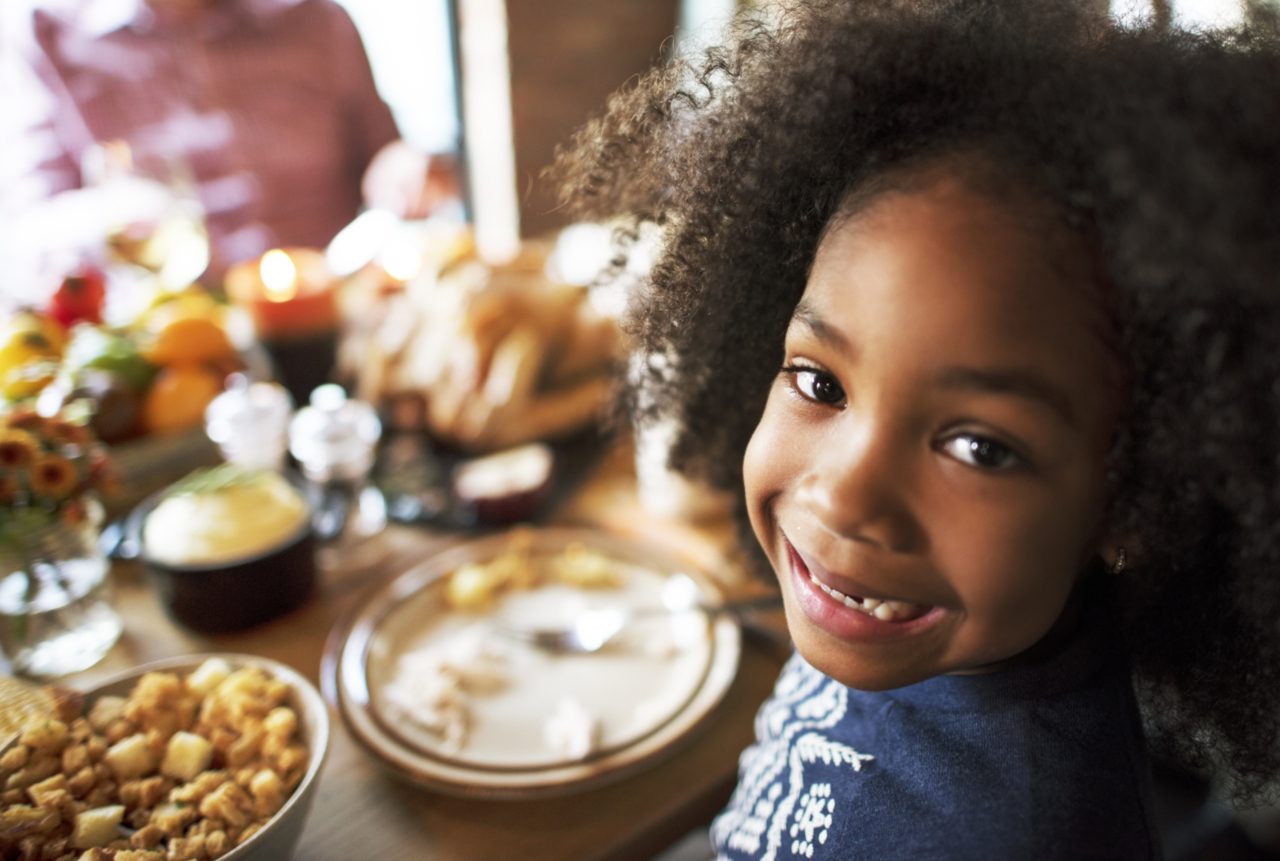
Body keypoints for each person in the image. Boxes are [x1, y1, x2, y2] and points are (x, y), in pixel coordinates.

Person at [554, 0, 1280, 856]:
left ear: (1136, 500)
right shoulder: (892, 618)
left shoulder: (1009, 833)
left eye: (980, 446)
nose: (844, 493)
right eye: (820, 382)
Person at [2, 0, 457, 281]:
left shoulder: (318, 20)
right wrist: (115, 216)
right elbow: (28, 234)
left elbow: (383, 155)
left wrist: (403, 169)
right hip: (174, 354)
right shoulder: (44, 36)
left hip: (336, 317)